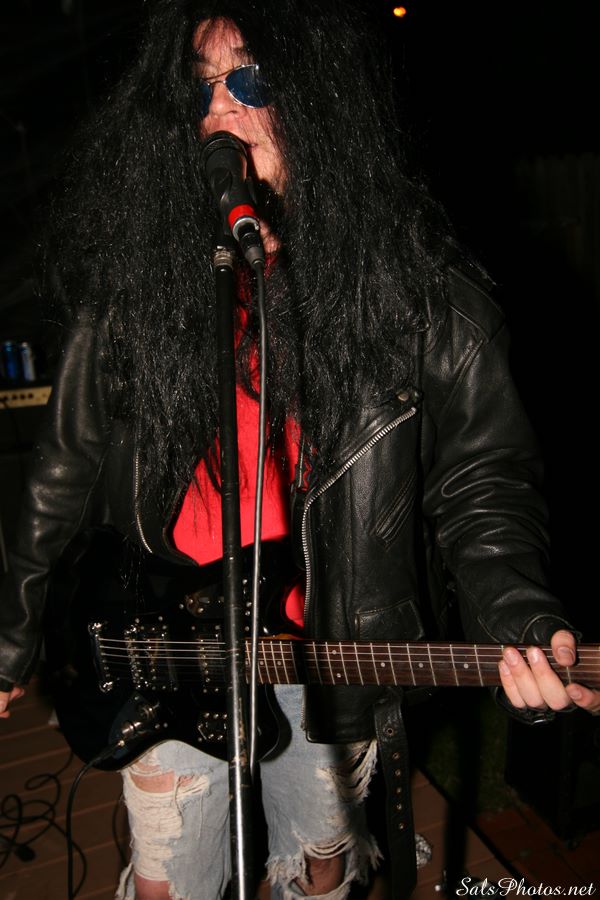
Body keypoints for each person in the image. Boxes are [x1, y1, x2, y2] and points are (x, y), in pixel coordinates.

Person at [1, 1, 598, 898]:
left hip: (324, 639)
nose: (219, 110)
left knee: (322, 860)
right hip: (168, 633)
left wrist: (517, 609)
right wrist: (10, 636)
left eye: (250, 79)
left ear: (319, 97)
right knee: (168, 875)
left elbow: (482, 478)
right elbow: (63, 462)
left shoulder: (417, 291)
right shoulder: (134, 278)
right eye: (200, 88)